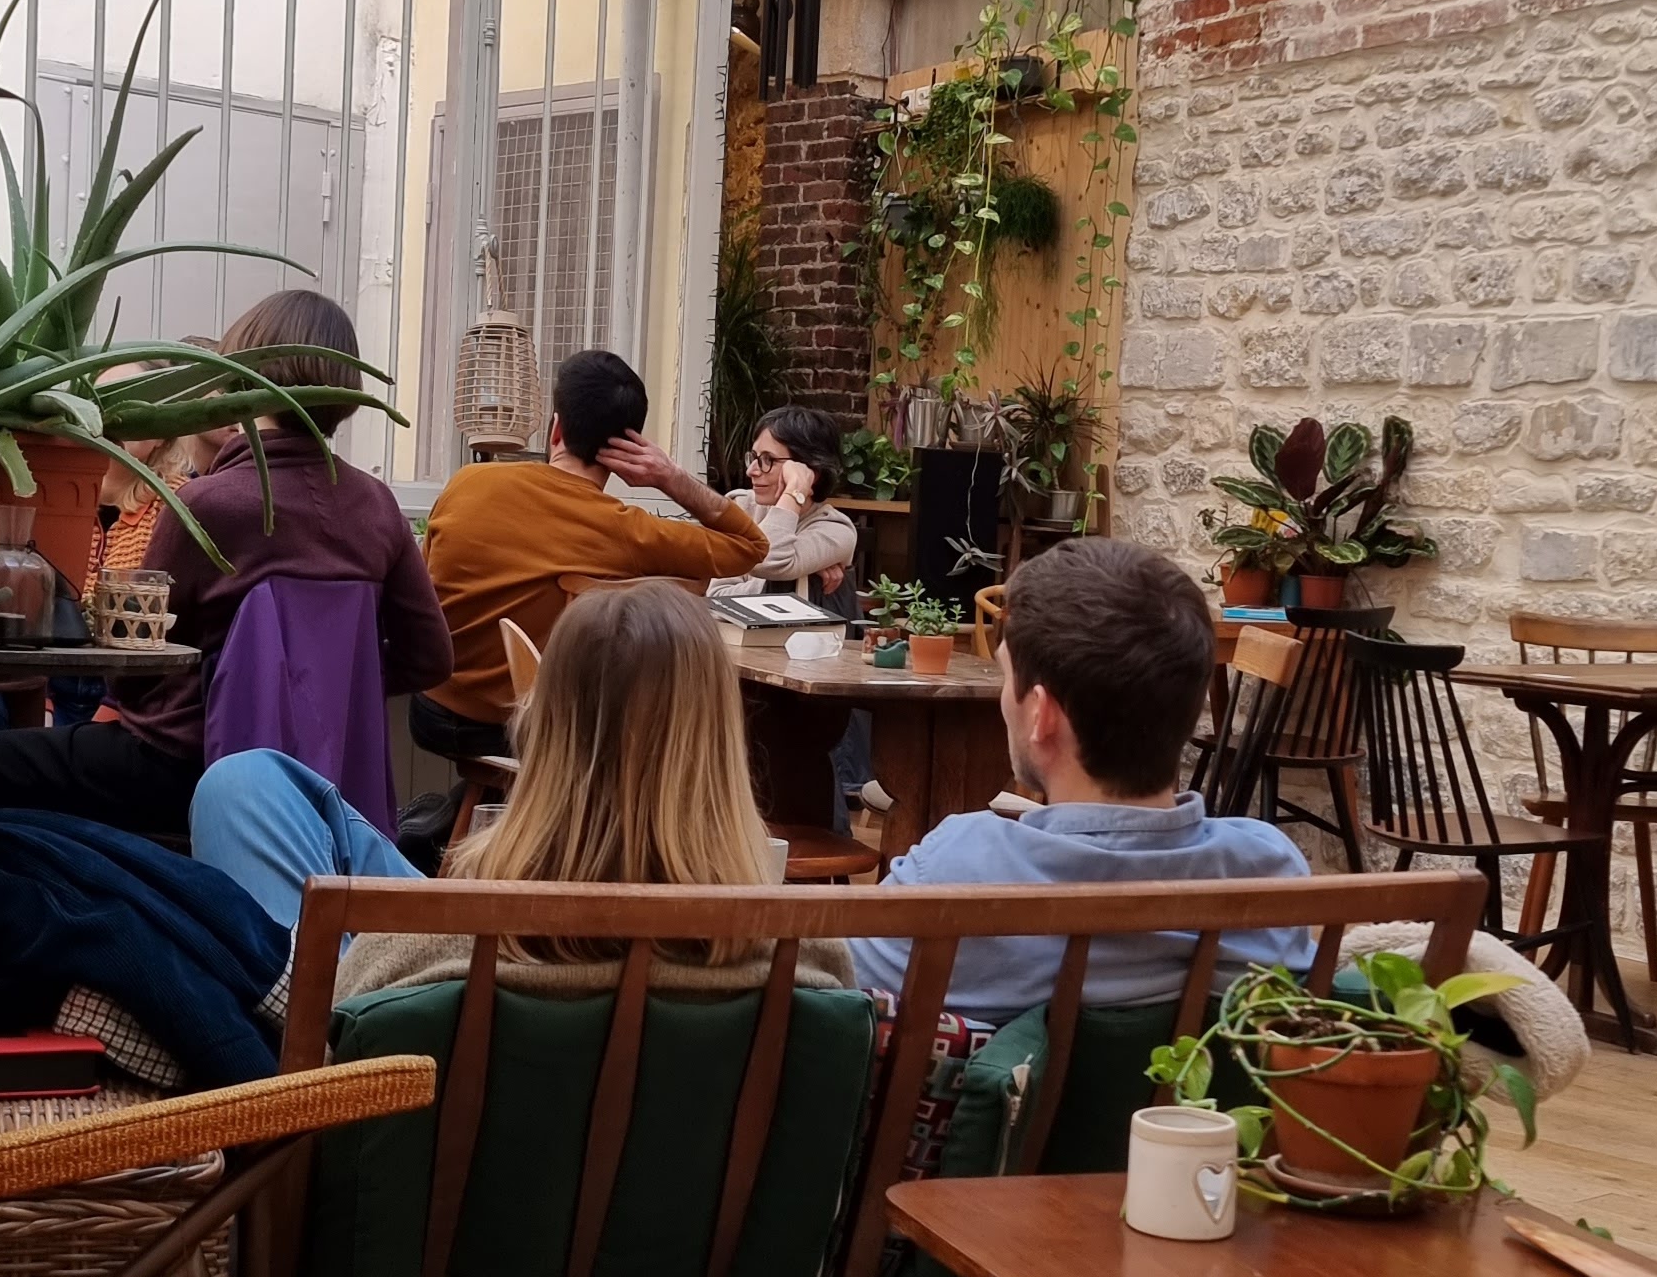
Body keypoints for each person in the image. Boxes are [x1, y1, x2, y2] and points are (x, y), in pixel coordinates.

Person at [194, 581, 850, 1277]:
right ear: (721, 740)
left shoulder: (426, 947)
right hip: (671, 1239)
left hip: (462, 1011)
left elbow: (324, 1041)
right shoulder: (810, 960)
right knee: (257, 783)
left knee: (241, 787)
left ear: (545, 724)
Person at [0, 288, 449, 840]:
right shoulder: (377, 507)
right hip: (328, 786)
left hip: (179, 769)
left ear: (236, 377)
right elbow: (430, 658)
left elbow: (136, 674)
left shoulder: (207, 504)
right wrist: (325, 692)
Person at [849, 538, 1320, 1026]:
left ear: (1042, 714)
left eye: (1007, 677)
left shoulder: (956, 869)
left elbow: (836, 992)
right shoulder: (1268, 871)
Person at [413, 346, 766, 759]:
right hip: (532, 733)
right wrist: (670, 478)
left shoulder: (467, 482)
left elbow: (422, 587)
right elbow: (751, 546)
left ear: (556, 429)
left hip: (431, 710)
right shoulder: (623, 529)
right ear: (629, 449)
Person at [742, 404, 860, 599]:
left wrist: (794, 490)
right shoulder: (742, 507)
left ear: (810, 471)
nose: (751, 471)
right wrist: (799, 575)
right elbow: (716, 594)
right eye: (754, 457)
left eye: (768, 459)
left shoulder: (836, 530)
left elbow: (762, 560)